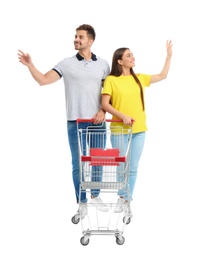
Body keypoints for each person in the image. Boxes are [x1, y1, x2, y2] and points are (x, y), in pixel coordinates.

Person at [17, 24, 110, 218]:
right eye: (75, 36)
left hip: (97, 122)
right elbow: (43, 80)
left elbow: (109, 94)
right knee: (77, 163)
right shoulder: (66, 63)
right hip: (74, 121)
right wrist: (30, 65)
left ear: (90, 41)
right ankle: (81, 202)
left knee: (97, 160)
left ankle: (95, 196)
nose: (76, 39)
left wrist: (102, 110)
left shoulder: (103, 64)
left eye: (81, 37)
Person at [101, 40, 173, 215]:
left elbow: (162, 76)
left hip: (139, 130)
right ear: (120, 61)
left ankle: (127, 199)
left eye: (132, 54)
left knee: (133, 167)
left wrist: (169, 56)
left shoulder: (139, 78)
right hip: (119, 129)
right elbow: (105, 104)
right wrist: (122, 116)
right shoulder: (111, 80)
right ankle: (120, 196)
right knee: (121, 166)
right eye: (128, 55)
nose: (132, 57)